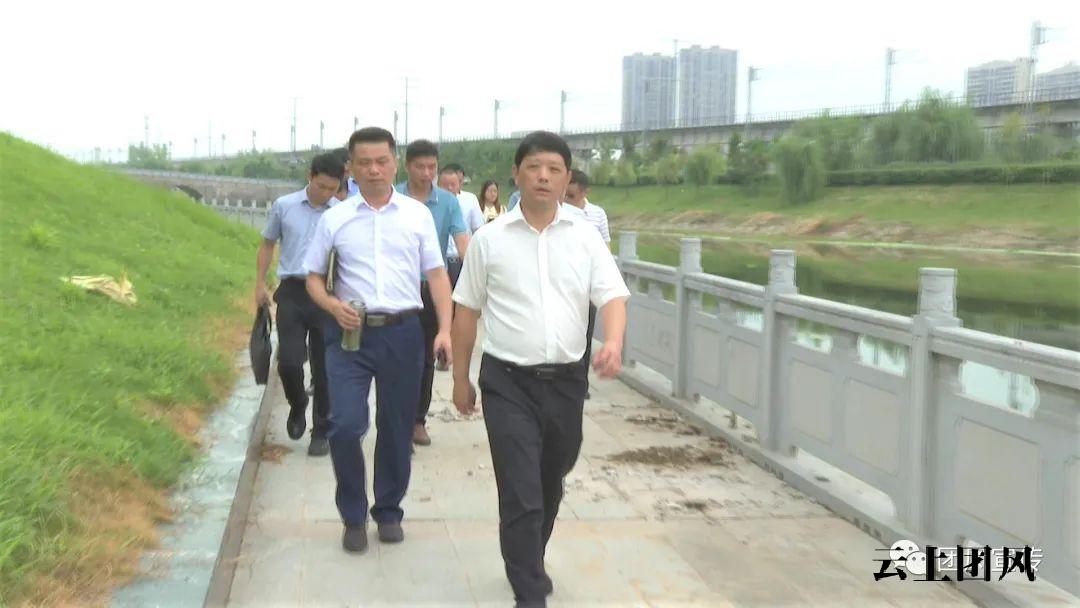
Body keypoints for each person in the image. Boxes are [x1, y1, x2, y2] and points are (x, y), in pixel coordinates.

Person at [450, 131, 630, 608]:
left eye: (554, 169)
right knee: (521, 488)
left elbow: (612, 296)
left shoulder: (585, 237)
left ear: (567, 178)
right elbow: (466, 312)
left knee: (551, 478)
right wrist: (460, 380)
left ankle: (530, 557)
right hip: (507, 381)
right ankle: (528, 588)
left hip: (567, 383)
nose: (543, 177)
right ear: (517, 174)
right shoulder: (489, 240)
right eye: (534, 167)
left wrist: (613, 342)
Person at [304, 127, 454, 554]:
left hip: (403, 333)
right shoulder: (335, 218)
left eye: (381, 161)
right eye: (364, 162)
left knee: (396, 425)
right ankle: (353, 514)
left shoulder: (416, 216)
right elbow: (312, 277)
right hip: (349, 335)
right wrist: (333, 306)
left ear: (394, 163)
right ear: (350, 167)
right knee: (345, 425)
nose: (373, 169)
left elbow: (437, 275)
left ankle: (388, 510)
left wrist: (444, 330)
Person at [255, 153, 344, 457]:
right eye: (321, 186)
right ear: (310, 176)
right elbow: (267, 244)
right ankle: (297, 403)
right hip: (292, 292)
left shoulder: (341, 213)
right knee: (289, 362)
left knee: (325, 367)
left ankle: (321, 431)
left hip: (328, 295)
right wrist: (259, 283)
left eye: (332, 188)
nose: (326, 193)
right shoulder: (285, 206)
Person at [395, 140, 469, 448]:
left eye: (432, 167)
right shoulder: (393, 197)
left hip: (431, 287)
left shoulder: (448, 202)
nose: (426, 173)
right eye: (420, 167)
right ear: (407, 166)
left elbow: (462, 241)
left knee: (426, 356)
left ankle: (417, 421)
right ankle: (395, 420)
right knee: (396, 357)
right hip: (397, 287)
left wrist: (474, 275)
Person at [438, 163, 484, 287]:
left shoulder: (470, 200)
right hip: (439, 263)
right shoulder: (432, 204)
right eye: (445, 185)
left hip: (461, 260)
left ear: (459, 184)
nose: (449, 188)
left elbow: (478, 230)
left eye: (453, 184)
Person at [562, 169, 610, 245]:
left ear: (585, 192)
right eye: (563, 195)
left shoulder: (598, 214)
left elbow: (605, 245)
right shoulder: (555, 213)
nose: (565, 199)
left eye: (571, 196)